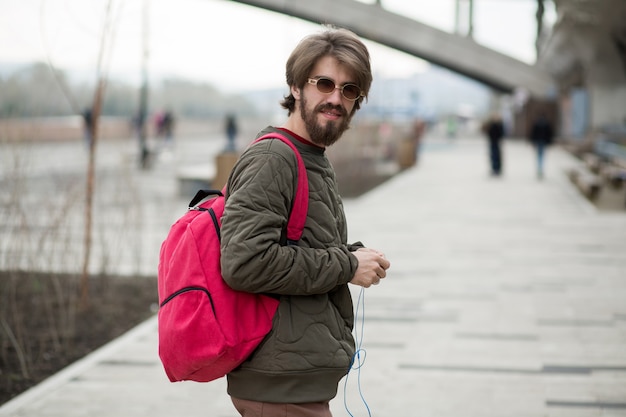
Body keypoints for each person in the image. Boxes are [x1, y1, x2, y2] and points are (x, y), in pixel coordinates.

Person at [219, 27, 391, 417]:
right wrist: (346, 266)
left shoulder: (311, 156)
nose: (336, 98)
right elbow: (245, 263)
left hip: (295, 379)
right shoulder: (273, 159)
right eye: (325, 83)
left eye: (349, 90)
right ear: (296, 86)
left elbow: (292, 245)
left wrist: (351, 255)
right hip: (279, 387)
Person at [529, 113, 554, 179]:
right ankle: (541, 168)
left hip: (538, 141)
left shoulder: (536, 123)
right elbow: (549, 134)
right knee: (542, 155)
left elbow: (533, 133)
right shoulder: (547, 124)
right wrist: (549, 142)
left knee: (539, 155)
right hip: (543, 141)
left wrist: (533, 142)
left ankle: (539, 168)